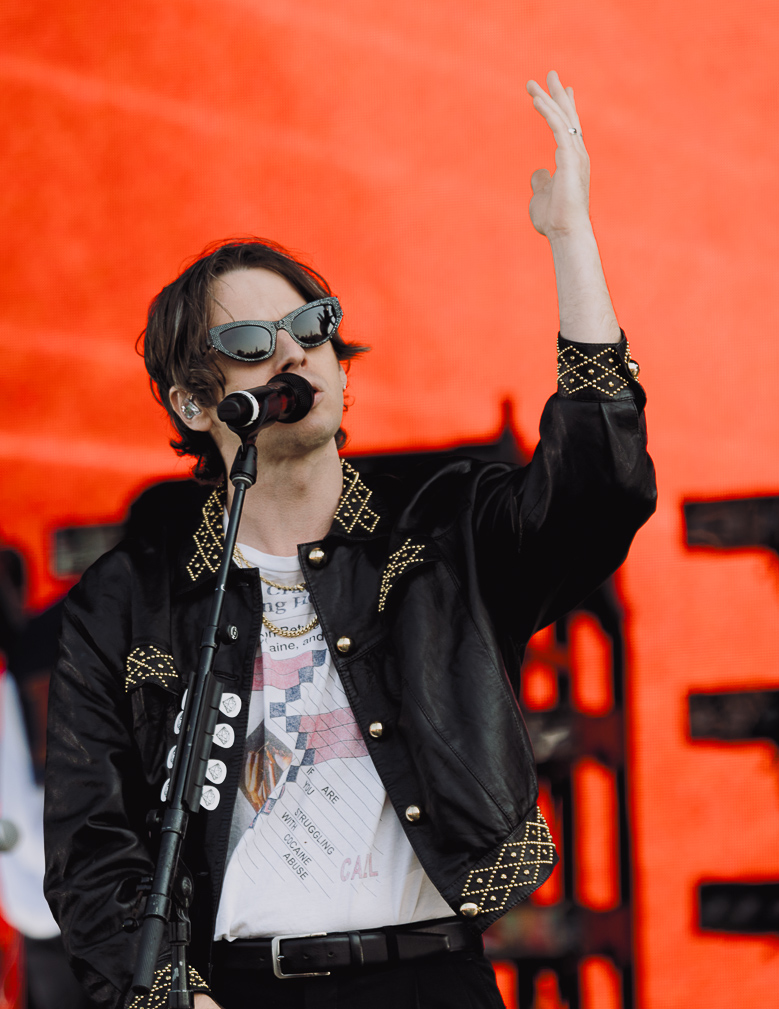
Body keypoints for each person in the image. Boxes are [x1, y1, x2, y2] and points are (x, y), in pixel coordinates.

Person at [43, 71, 656, 1009]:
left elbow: (598, 493)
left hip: (428, 981)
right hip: (238, 990)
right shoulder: (128, 602)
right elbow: (91, 851)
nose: (295, 352)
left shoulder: (443, 534)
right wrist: (171, 996)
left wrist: (572, 240)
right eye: (254, 342)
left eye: (312, 327)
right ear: (195, 402)